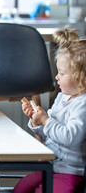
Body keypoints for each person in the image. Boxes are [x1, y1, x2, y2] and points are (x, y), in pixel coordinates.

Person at [14, 26, 86, 193]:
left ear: (81, 77)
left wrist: (46, 120)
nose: (56, 77)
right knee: (20, 188)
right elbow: (50, 137)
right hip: (52, 167)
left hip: (71, 172)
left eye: (61, 73)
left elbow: (69, 137)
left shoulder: (82, 104)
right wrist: (37, 121)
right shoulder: (62, 97)